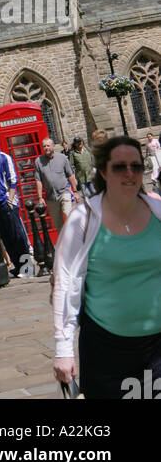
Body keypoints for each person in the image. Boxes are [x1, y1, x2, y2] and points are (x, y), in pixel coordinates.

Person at [52, 135, 161, 399]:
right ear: (103, 171)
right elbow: (65, 283)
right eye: (119, 166)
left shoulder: (158, 210)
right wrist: (63, 349)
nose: (129, 173)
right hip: (106, 349)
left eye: (136, 166)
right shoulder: (83, 219)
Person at [0, 132, 33, 277]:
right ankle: (18, 266)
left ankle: (27, 268)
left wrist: (10, 200)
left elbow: (13, 180)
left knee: (17, 236)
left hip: (7, 202)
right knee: (6, 237)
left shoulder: (4, 158)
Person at [35, 137, 78, 232]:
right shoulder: (38, 161)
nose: (46, 148)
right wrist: (40, 197)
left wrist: (75, 191)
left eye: (48, 145)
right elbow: (38, 180)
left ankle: (75, 239)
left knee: (68, 215)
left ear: (53, 146)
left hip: (64, 192)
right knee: (58, 224)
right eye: (44, 146)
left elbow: (71, 175)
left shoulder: (62, 158)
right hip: (51, 197)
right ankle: (65, 243)